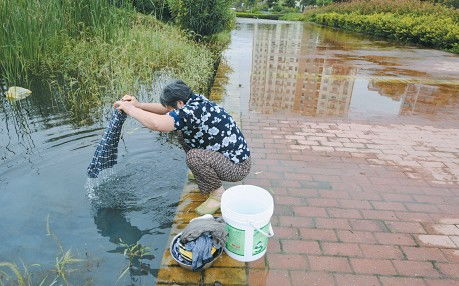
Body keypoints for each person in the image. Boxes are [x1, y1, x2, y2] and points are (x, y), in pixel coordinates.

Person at [113, 80, 251, 215]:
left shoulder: (192, 112)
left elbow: (158, 124)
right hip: (229, 156)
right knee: (181, 132)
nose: (168, 111)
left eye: (171, 108)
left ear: (180, 103)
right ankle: (204, 170)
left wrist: (130, 109)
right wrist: (139, 105)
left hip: (237, 168)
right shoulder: (193, 100)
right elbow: (167, 109)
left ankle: (218, 195)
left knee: (194, 157)